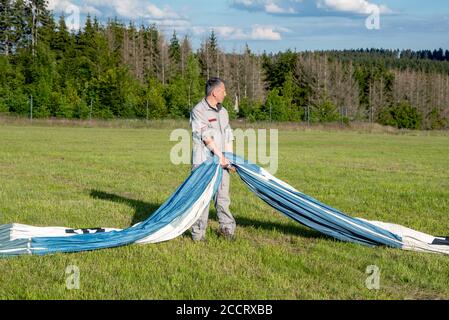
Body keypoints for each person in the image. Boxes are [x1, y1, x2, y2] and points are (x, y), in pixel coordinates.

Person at [189, 77, 236, 241]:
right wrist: (221, 157)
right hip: (204, 162)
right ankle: (198, 234)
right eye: (223, 90)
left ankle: (227, 230)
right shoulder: (198, 110)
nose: (225, 93)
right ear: (215, 92)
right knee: (202, 199)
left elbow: (228, 135)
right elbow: (206, 137)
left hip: (222, 162)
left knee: (223, 198)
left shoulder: (223, 112)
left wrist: (229, 159)